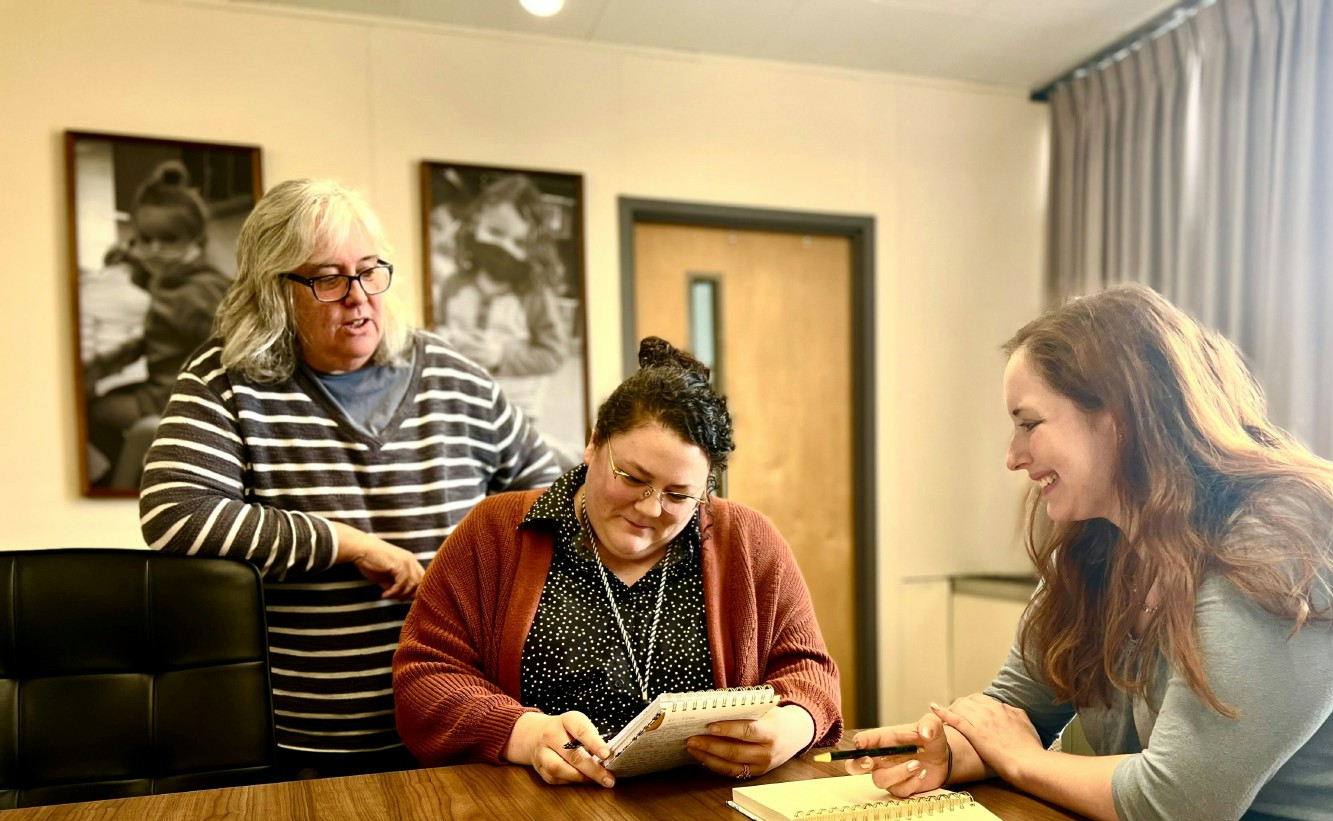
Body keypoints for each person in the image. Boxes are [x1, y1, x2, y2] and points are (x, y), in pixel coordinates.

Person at [855, 284, 1333, 821]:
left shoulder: (1295, 533)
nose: (1013, 456)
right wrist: (959, 750)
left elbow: (1178, 804)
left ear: (1119, 418)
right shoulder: (1099, 542)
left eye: (1029, 424)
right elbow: (1015, 710)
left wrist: (1020, 763)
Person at [140, 178, 559, 774]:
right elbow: (176, 514)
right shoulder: (227, 381)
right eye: (328, 279)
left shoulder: (453, 377)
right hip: (306, 746)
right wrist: (347, 544)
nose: (358, 297)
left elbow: (553, 499)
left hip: (459, 733)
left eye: (369, 271)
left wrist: (474, 580)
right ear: (275, 291)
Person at [392, 337, 842, 785]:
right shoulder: (497, 531)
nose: (649, 508)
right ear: (594, 444)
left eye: (679, 494)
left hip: (702, 813)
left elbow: (811, 673)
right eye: (632, 477)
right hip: (529, 815)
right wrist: (525, 733)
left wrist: (791, 727)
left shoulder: (745, 541)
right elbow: (424, 676)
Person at [87, 160, 231, 487]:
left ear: (197, 240)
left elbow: (225, 353)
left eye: (168, 241)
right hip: (167, 386)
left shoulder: (194, 293)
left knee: (91, 412)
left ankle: (119, 479)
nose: (153, 251)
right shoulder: (173, 278)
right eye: (145, 239)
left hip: (173, 394)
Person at [435, 174, 568, 425]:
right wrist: (446, 341)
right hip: (460, 407)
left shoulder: (535, 296)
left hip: (516, 415)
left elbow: (554, 354)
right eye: (495, 232)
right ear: (475, 224)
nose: (505, 248)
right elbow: (438, 330)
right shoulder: (454, 285)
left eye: (519, 242)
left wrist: (501, 356)